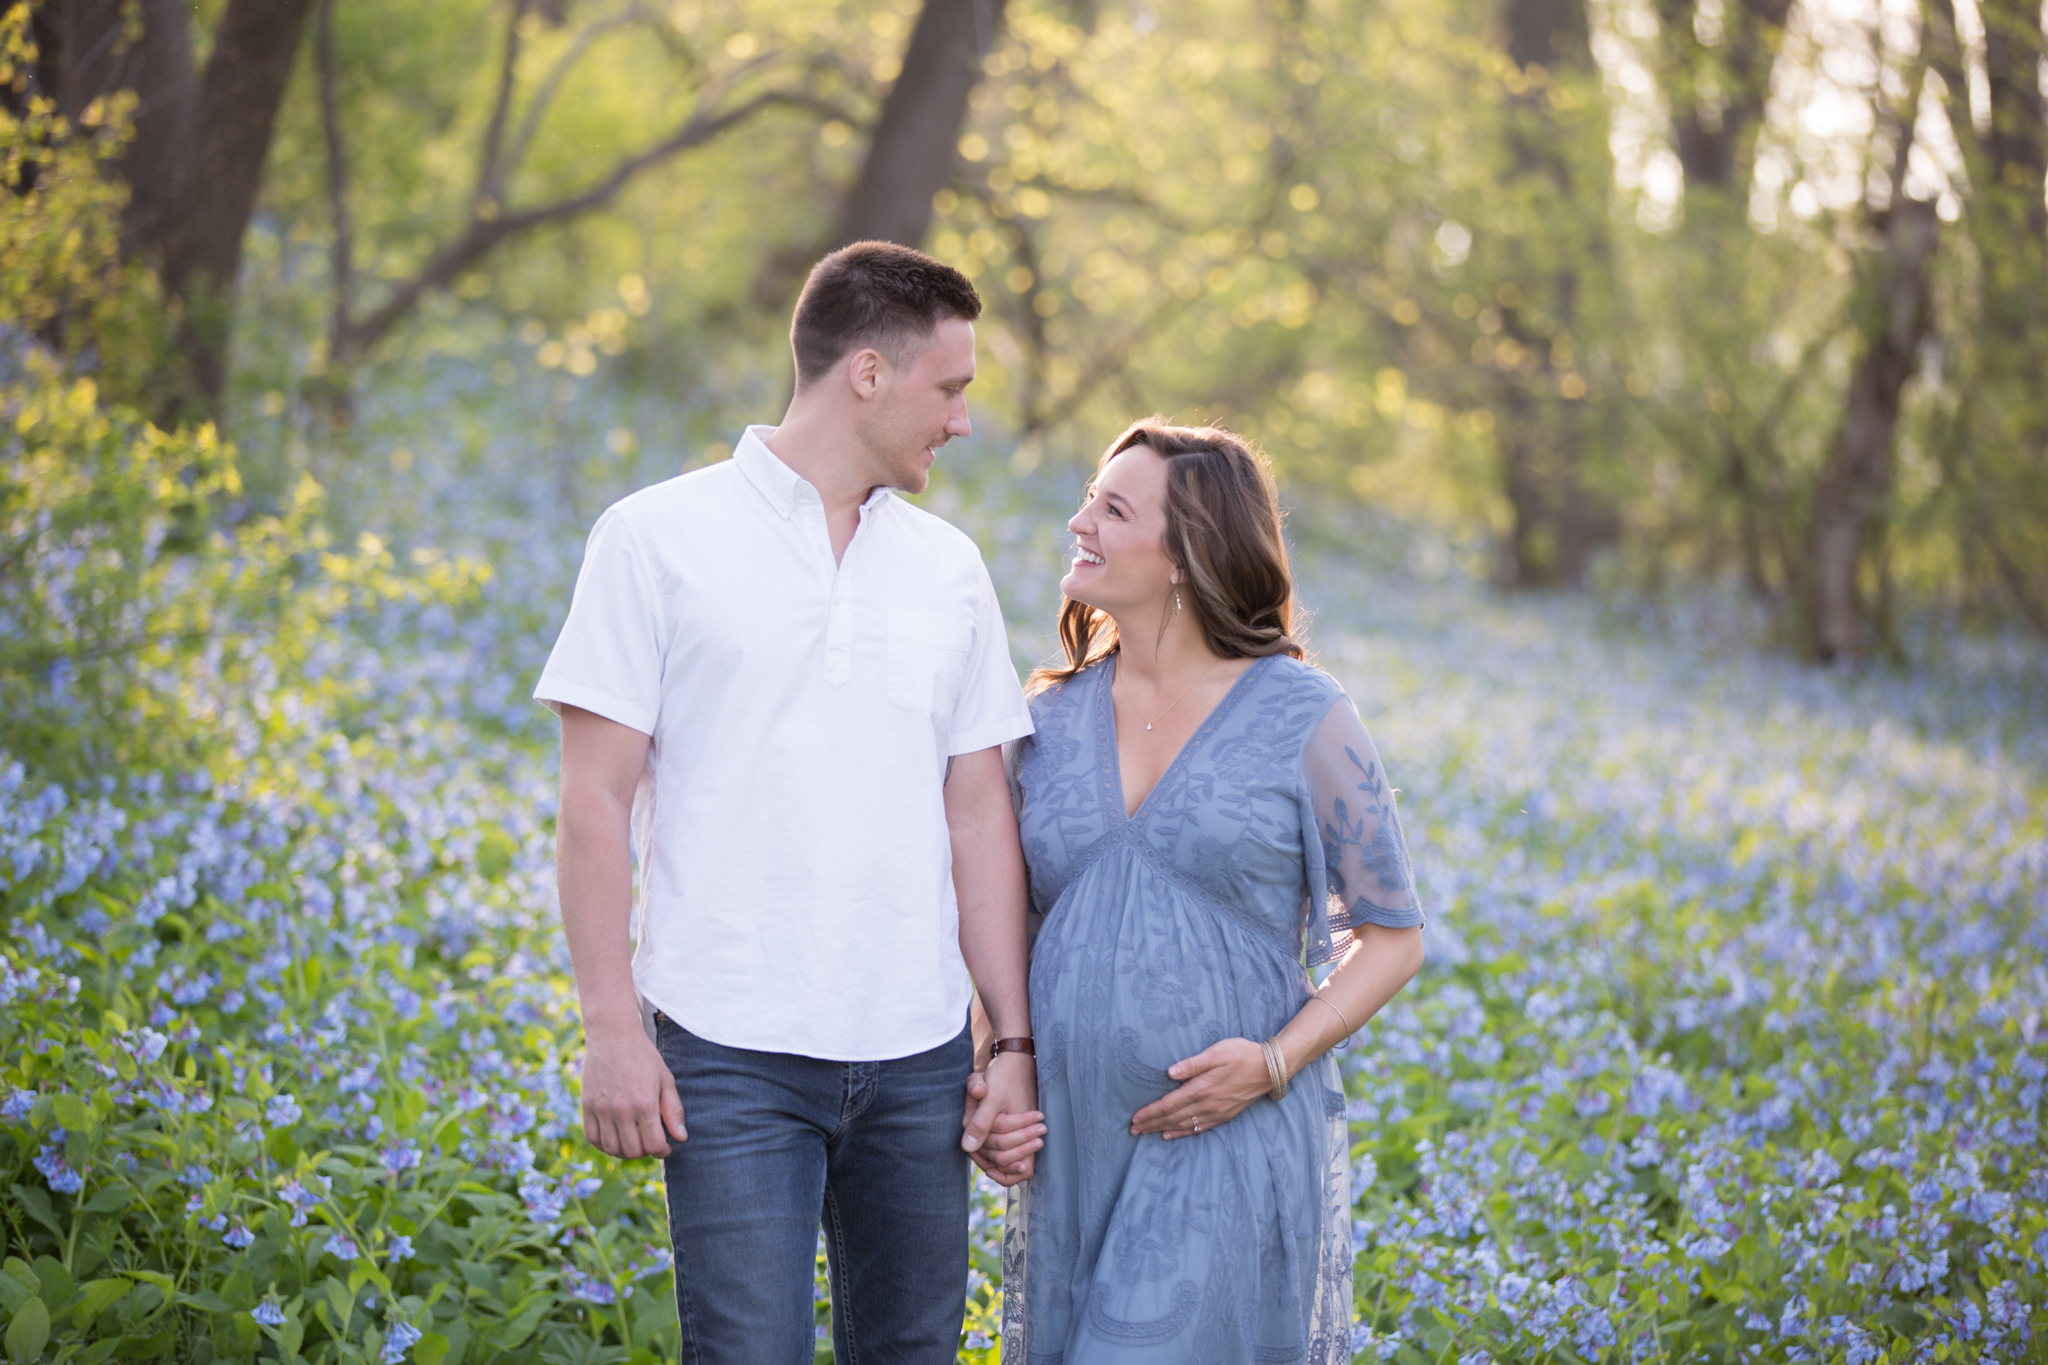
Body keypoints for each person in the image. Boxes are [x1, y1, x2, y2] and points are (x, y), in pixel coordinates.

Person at [534, 242, 1039, 1365]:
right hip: (727, 1049)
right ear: (867, 372)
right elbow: (592, 801)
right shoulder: (654, 539)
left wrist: (1008, 1040)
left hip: (914, 1058)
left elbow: (977, 817)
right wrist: (611, 1028)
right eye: (949, 388)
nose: (962, 420)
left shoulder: (948, 568)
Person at [970, 420, 1427, 1363]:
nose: (1078, 520)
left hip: (1227, 1133)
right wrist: (996, 1060)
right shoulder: (1045, 718)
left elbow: (1391, 934)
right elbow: (1007, 919)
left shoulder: (1305, 714)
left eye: (1112, 507)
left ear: (1187, 553)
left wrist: (1273, 1060)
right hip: (1075, 1144)